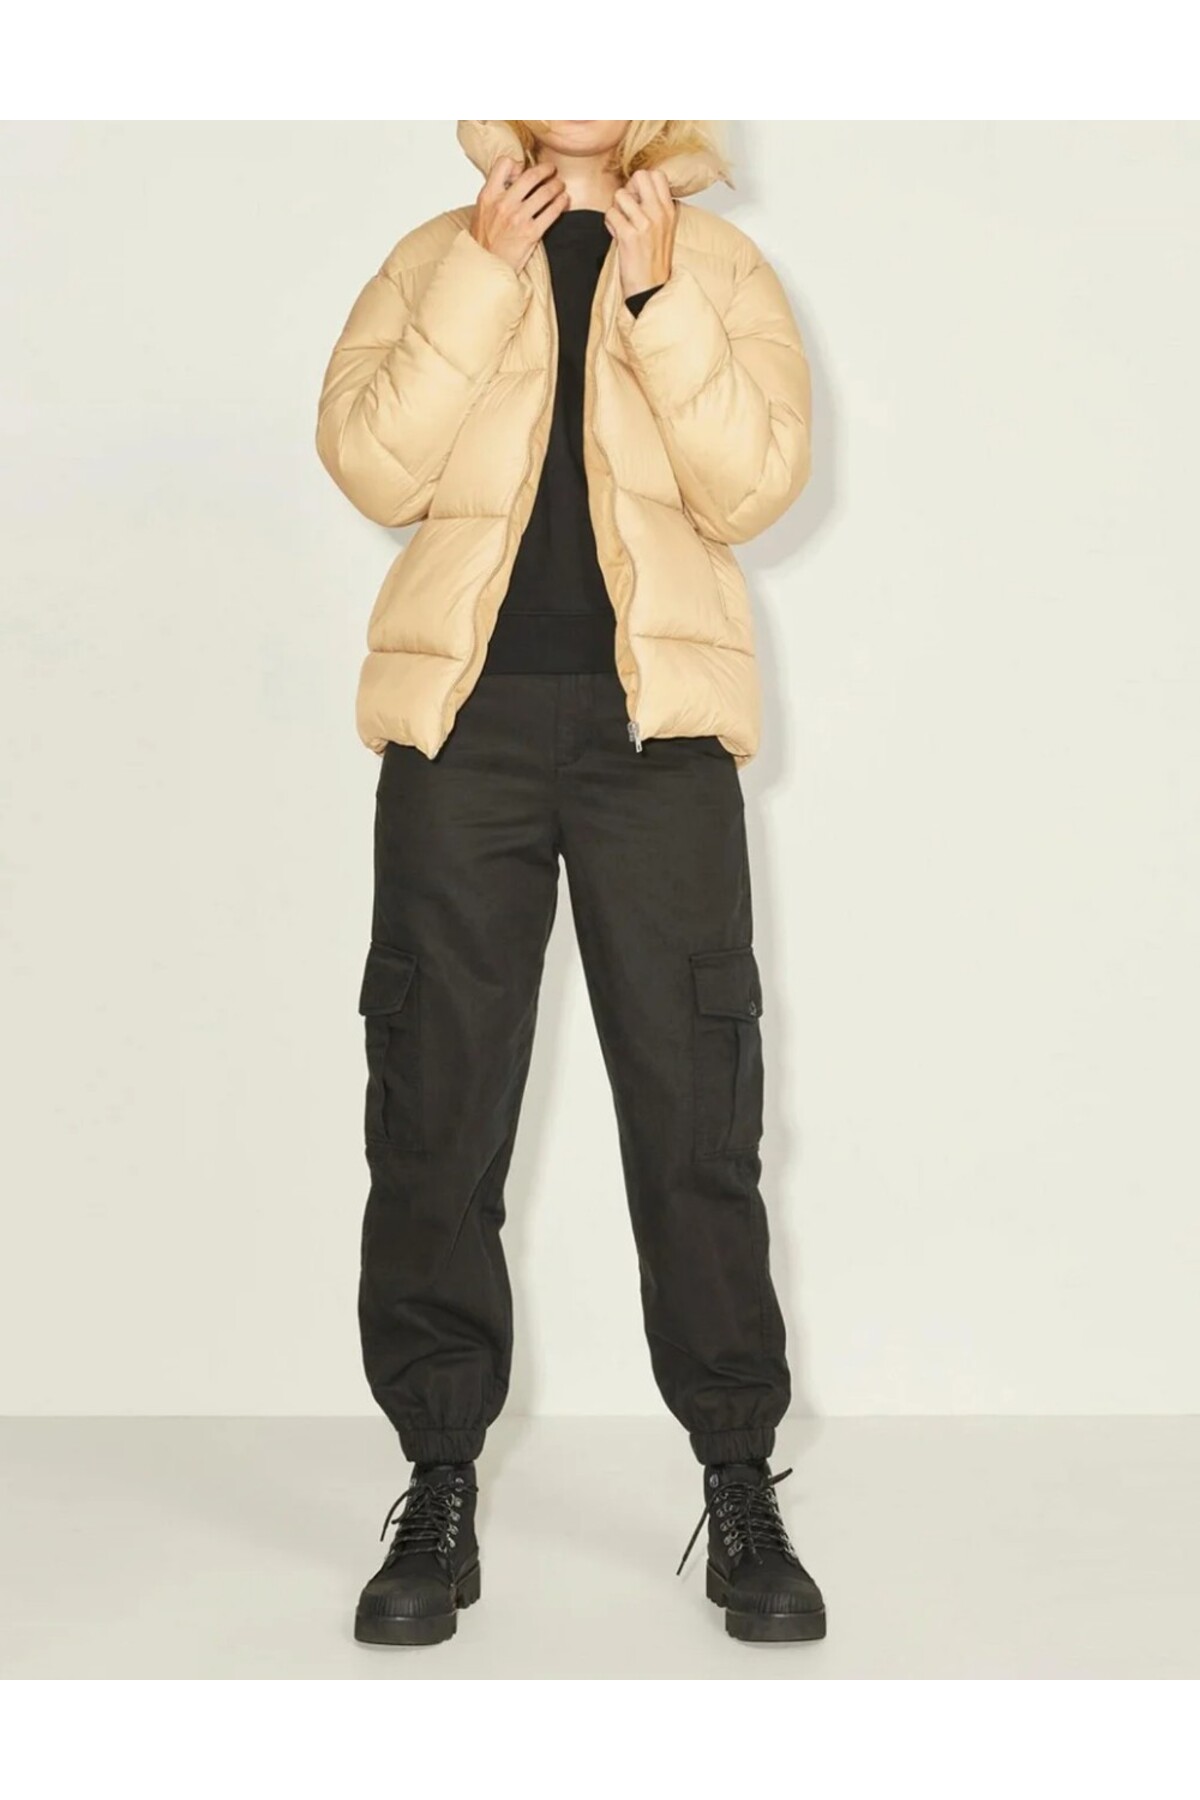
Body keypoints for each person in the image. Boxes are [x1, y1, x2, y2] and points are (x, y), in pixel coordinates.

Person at [315, 119, 825, 1648]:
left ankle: (737, 1478)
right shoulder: (437, 253)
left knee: (695, 1113)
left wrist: (660, 302)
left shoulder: (720, 266)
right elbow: (371, 465)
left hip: (656, 742)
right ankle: (437, 1480)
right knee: (436, 1106)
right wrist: (483, 277)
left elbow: (753, 490)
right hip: (461, 733)